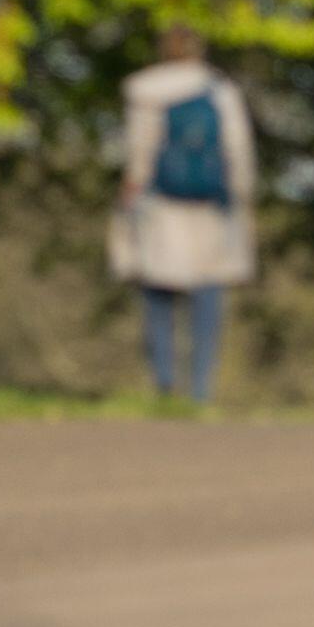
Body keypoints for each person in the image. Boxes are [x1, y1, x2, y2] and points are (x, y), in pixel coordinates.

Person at [112, 31, 259, 405]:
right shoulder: (221, 92)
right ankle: (200, 388)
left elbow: (139, 151)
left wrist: (131, 194)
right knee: (207, 296)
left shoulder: (147, 91)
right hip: (210, 206)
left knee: (157, 294)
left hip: (161, 203)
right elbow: (237, 149)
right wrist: (241, 197)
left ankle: (165, 383)